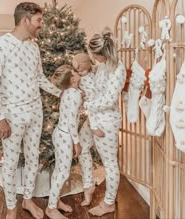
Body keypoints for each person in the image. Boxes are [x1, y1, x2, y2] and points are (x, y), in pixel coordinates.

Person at [0, 2, 62, 219]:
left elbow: (39, 78)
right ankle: (11, 207)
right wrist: (0, 118)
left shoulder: (33, 47)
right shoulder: (0, 45)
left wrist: (60, 93)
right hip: (11, 115)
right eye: (38, 20)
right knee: (9, 163)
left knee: (32, 158)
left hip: (35, 111)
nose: (41, 25)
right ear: (25, 19)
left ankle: (28, 199)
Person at [78, 28, 126, 216]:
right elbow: (95, 88)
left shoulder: (118, 69)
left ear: (103, 53)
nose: (93, 57)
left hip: (107, 121)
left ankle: (108, 203)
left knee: (110, 163)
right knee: (81, 146)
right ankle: (88, 184)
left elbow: (108, 99)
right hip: (94, 117)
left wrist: (87, 103)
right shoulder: (102, 66)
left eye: (95, 54)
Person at [45, 65, 82, 219]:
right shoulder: (74, 95)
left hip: (59, 133)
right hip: (66, 136)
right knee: (63, 173)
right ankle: (51, 208)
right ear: (72, 79)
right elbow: (72, 122)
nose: (77, 72)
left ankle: (56, 201)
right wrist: (76, 142)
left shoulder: (68, 92)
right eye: (75, 72)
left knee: (59, 170)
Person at [72, 52, 105, 137]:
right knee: (92, 112)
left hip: (97, 95)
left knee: (100, 111)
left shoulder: (92, 70)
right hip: (89, 98)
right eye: (78, 71)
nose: (80, 73)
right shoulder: (79, 78)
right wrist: (81, 94)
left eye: (82, 71)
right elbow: (75, 88)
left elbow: (97, 69)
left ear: (88, 66)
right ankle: (93, 126)